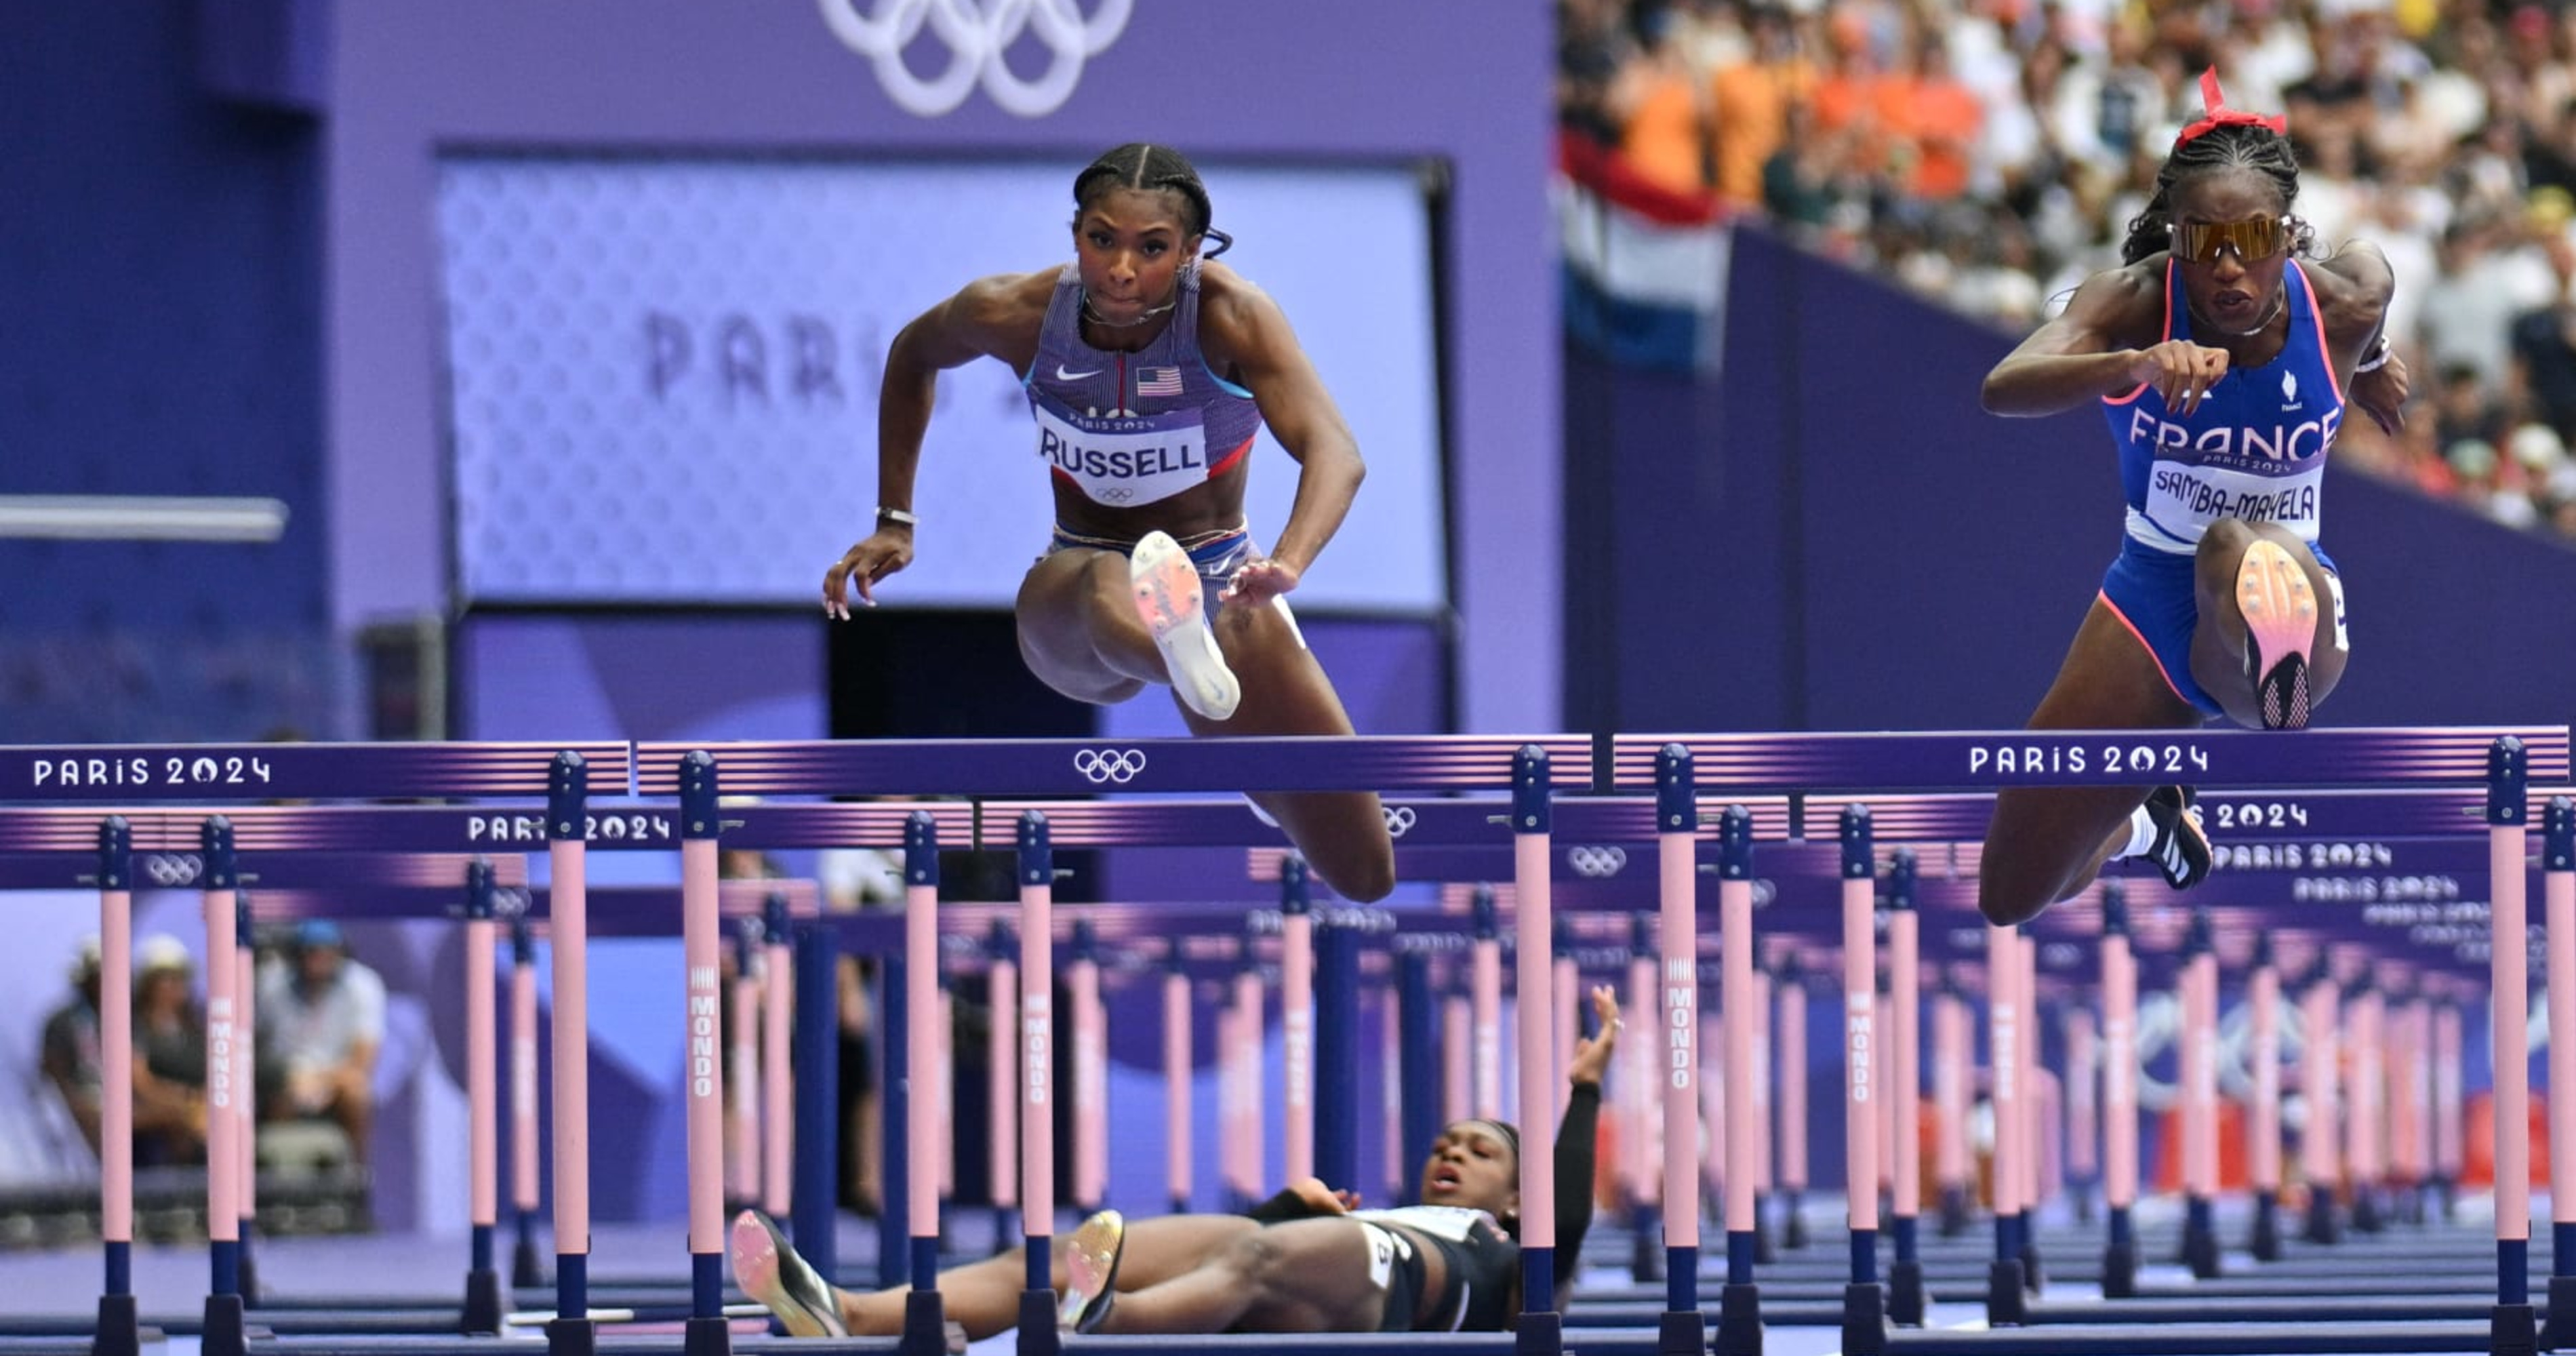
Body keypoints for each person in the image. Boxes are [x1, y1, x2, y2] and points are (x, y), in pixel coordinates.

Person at [819, 142, 1396, 904]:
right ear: (1075, 235)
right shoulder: (1020, 313)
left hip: (1224, 577)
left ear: (1190, 252)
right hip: (1077, 582)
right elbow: (911, 353)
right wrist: (895, 517)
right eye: (1101, 239)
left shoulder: (1232, 317)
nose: (1121, 269)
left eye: (1151, 248)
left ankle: (1213, 691)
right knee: (1102, 582)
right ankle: (1193, 672)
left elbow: (1336, 451)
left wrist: (1286, 562)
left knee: (1363, 871)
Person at [1973, 71, 2410, 927]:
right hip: (2146, 600)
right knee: (2014, 891)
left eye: (2251, 238)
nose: (2226, 266)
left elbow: (2371, 294)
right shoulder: (2135, 301)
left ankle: (2264, 661)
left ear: (2286, 238)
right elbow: (2002, 385)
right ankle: (2145, 821)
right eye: (2202, 240)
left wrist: (2367, 360)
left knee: (2235, 547)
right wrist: (2130, 366)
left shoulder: (2345, 299)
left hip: (2285, 589)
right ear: (2173, 237)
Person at [733, 986, 1623, 1338]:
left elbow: (1570, 1212)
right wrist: (1289, 1205)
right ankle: (847, 1310)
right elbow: (1251, 1259)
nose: (1451, 1154)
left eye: (1478, 1152)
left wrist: (1584, 1091)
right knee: (1054, 1255)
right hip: (1312, 1279)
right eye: (1443, 1143)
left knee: (1257, 1254)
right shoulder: (1378, 1213)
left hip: (1401, 1287)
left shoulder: (1522, 1262)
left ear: (1517, 1194)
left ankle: (1100, 1324)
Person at [256, 920, 386, 1162]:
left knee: (356, 1092)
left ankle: (357, 1174)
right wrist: (290, 1079)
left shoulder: (364, 986)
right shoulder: (272, 985)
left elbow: (362, 1061)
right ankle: (271, 1180)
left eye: (326, 952)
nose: (318, 959)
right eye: (311, 952)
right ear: (297, 954)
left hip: (337, 1079)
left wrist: (320, 1081)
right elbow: (257, 1046)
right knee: (269, 1092)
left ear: (340, 954)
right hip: (286, 1077)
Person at [131, 935, 209, 1166]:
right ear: (148, 984)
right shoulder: (135, 1027)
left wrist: (201, 1104)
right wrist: (183, 1103)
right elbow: (140, 1082)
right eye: (167, 979)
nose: (176, 987)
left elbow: (214, 1073)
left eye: (180, 979)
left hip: (198, 1115)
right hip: (155, 1116)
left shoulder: (196, 1027)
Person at [38, 937, 104, 1157]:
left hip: (129, 1103)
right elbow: (52, 1072)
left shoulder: (132, 1019)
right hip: (85, 1104)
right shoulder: (62, 1022)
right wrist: (75, 1104)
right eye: (99, 974)